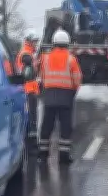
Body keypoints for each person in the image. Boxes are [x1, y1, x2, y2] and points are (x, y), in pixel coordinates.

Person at [37, 29, 82, 164]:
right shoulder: (71, 59)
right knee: (65, 127)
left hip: (49, 95)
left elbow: (41, 76)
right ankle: (63, 157)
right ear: (67, 43)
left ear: (54, 43)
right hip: (66, 96)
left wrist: (45, 89)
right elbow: (77, 78)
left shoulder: (45, 57)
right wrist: (72, 92)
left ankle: (43, 155)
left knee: (47, 126)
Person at [16, 29, 41, 141]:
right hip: (27, 90)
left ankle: (32, 133)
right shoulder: (26, 54)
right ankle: (31, 136)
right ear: (29, 41)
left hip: (31, 89)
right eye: (34, 41)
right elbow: (29, 68)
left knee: (32, 114)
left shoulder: (30, 52)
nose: (36, 43)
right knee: (31, 115)